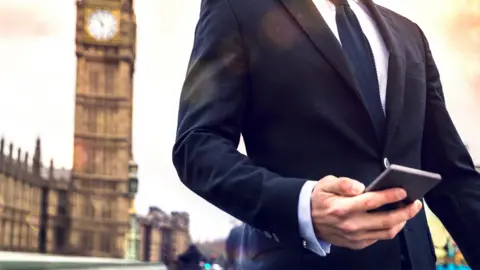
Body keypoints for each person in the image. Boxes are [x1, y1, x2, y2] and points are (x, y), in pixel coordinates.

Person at [172, 0, 480, 269]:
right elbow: (197, 144)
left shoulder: (410, 34)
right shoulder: (237, 8)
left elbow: (452, 175)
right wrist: (301, 206)